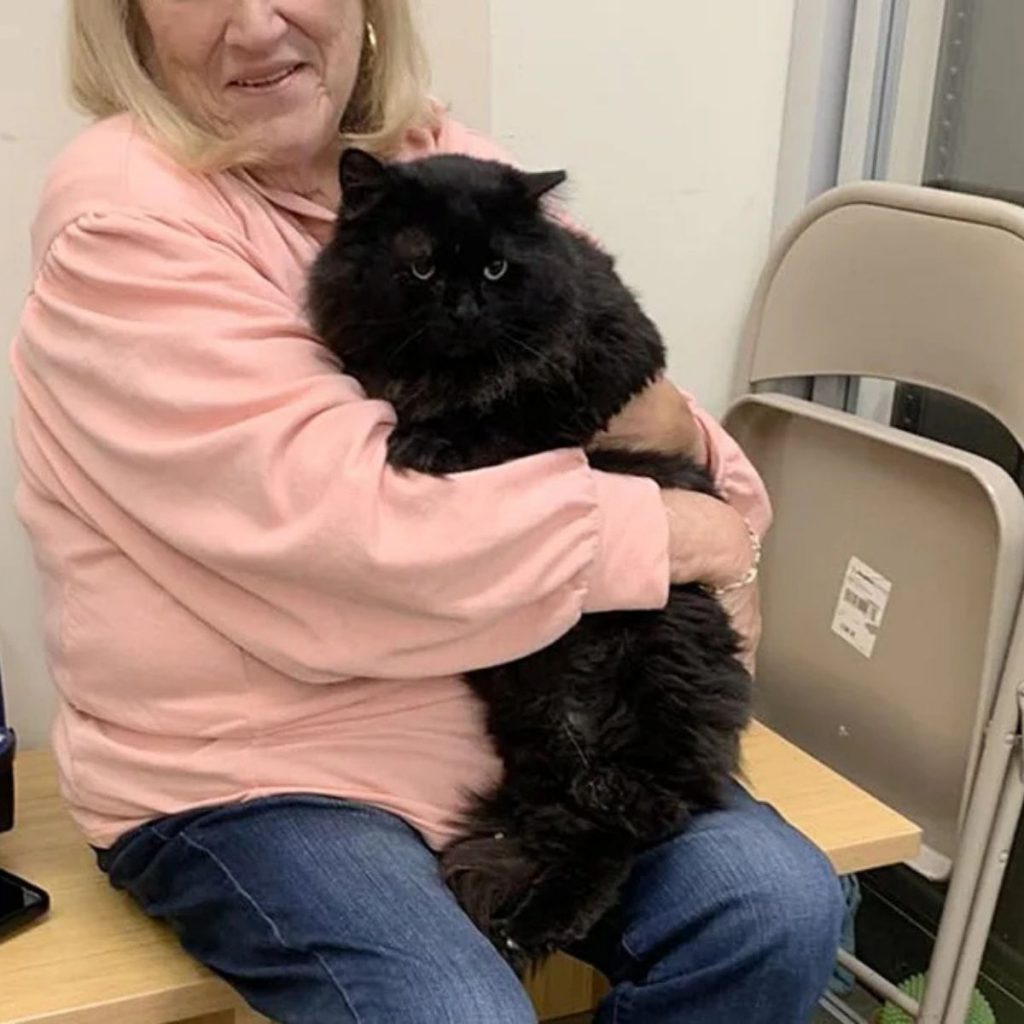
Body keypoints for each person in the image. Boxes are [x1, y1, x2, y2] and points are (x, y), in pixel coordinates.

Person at [10, 2, 843, 1021]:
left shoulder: (442, 157)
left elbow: (661, 420)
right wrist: (679, 536)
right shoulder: (123, 219)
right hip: (259, 763)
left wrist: (696, 466)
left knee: (777, 908)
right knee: (456, 1012)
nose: (256, 22)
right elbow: (362, 539)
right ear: (129, 24)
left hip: (513, 715)